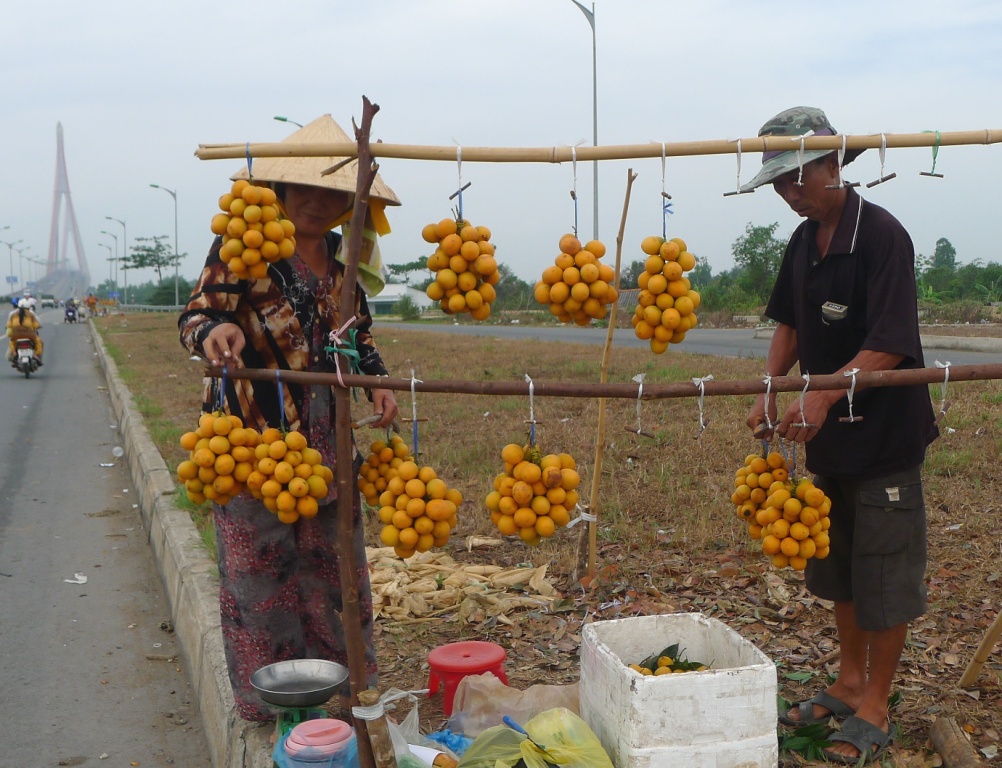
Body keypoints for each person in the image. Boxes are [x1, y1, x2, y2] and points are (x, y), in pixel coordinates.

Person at [178, 114, 401, 723]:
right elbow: (195, 316)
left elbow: (357, 336)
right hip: (254, 439)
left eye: (330, 191)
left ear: (347, 203)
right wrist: (214, 331)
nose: (314, 201)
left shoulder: (343, 262)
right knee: (260, 573)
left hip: (329, 441)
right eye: (302, 188)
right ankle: (268, 703)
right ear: (278, 189)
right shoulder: (247, 247)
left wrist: (377, 381)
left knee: (334, 572)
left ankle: (342, 695)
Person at [743, 107, 938, 764]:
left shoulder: (882, 236)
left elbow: (891, 342)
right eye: (778, 182)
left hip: (884, 440)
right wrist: (772, 387)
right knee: (843, 568)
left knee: (885, 574)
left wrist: (824, 393)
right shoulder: (804, 243)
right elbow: (790, 325)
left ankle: (877, 701)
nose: (787, 192)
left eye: (796, 177)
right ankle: (849, 681)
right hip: (830, 444)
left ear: (833, 164)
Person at [6, 298, 43, 365]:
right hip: (30, 335)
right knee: (38, 342)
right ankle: (36, 355)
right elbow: (36, 325)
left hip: (16, 335)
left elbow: (9, 325)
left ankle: (14, 353)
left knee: (12, 343)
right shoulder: (31, 314)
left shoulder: (13, 314)